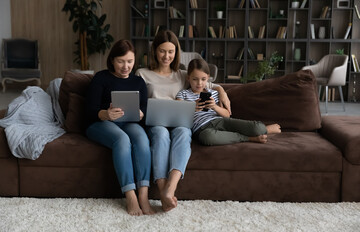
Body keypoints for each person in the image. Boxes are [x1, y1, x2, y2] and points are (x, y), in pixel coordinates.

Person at [136, 29, 231, 212]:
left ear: (176, 52)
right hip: (156, 123)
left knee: (184, 132)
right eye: (162, 51)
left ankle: (171, 188)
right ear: (155, 50)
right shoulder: (142, 73)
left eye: (171, 51)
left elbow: (208, 83)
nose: (166, 56)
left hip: (180, 121)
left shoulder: (181, 74)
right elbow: (138, 100)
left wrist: (222, 92)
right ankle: (163, 190)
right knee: (161, 134)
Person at [85, 40, 155, 216]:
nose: (126, 66)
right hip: (100, 123)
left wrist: (141, 113)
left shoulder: (139, 82)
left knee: (142, 139)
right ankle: (130, 195)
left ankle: (144, 195)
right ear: (112, 60)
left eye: (130, 61)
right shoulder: (101, 78)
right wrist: (105, 114)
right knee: (122, 140)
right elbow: (89, 110)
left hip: (130, 122)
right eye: (121, 61)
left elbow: (146, 107)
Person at [176, 58, 281, 146]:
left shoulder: (214, 93)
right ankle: (249, 138)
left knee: (258, 128)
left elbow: (227, 115)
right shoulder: (183, 94)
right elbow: (177, 115)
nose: (199, 83)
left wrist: (214, 107)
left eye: (203, 79)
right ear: (188, 78)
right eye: (195, 79)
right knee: (208, 138)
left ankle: (265, 130)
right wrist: (192, 108)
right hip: (201, 128)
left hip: (220, 121)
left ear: (208, 78)